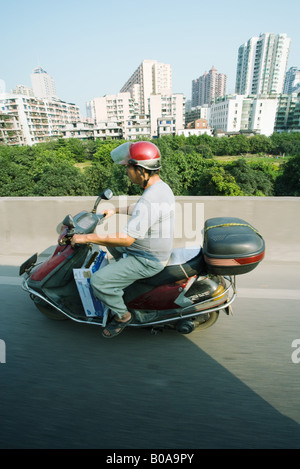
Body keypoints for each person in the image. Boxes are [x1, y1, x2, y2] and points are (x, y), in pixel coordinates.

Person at [71, 141, 175, 338]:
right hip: (149, 248)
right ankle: (120, 282)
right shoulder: (160, 188)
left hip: (148, 258)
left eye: (128, 166)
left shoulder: (150, 199)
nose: (126, 171)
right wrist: (115, 210)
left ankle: (122, 315)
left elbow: (127, 239)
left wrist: (85, 237)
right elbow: (141, 209)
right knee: (112, 245)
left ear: (141, 170)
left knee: (99, 281)